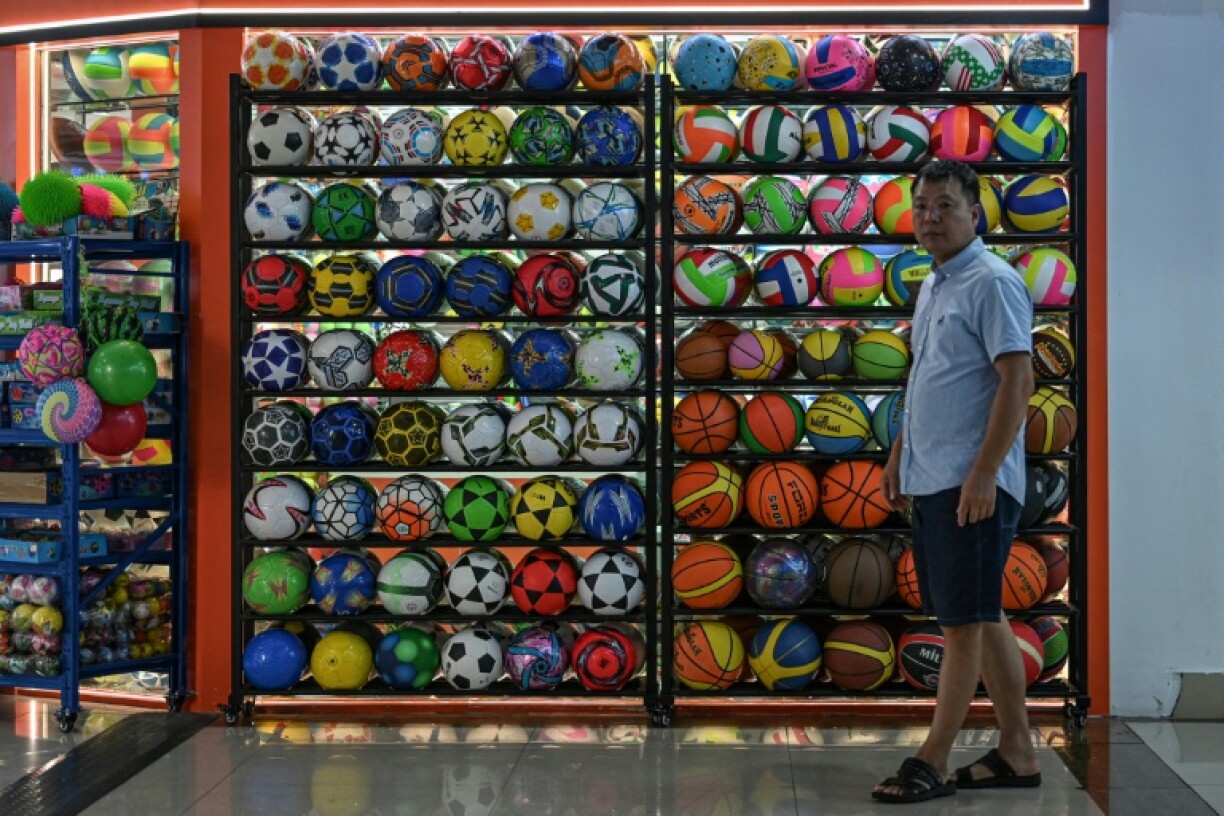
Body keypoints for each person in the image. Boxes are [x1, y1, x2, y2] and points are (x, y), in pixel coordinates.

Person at [871, 160, 1039, 804]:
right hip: (934, 476)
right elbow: (929, 383)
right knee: (981, 613)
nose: (930, 217)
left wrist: (983, 474)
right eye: (921, 206)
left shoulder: (992, 283)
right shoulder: (936, 283)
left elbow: (1018, 382)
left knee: (960, 625)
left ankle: (933, 759)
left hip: (971, 486)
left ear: (976, 213)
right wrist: (899, 455)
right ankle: (1017, 752)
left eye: (945, 205)